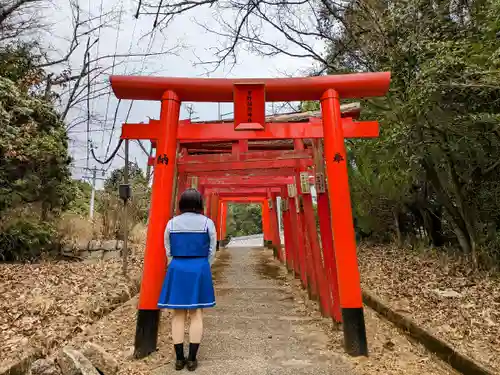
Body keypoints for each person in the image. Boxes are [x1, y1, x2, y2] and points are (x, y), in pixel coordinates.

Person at [157, 188, 217, 371]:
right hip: (199, 267)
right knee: (196, 313)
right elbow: (212, 249)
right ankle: (192, 359)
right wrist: (203, 265)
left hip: (177, 267)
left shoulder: (172, 223)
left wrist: (174, 262)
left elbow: (167, 247)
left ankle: (178, 359)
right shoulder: (208, 223)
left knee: (178, 315)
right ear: (199, 203)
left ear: (181, 204)